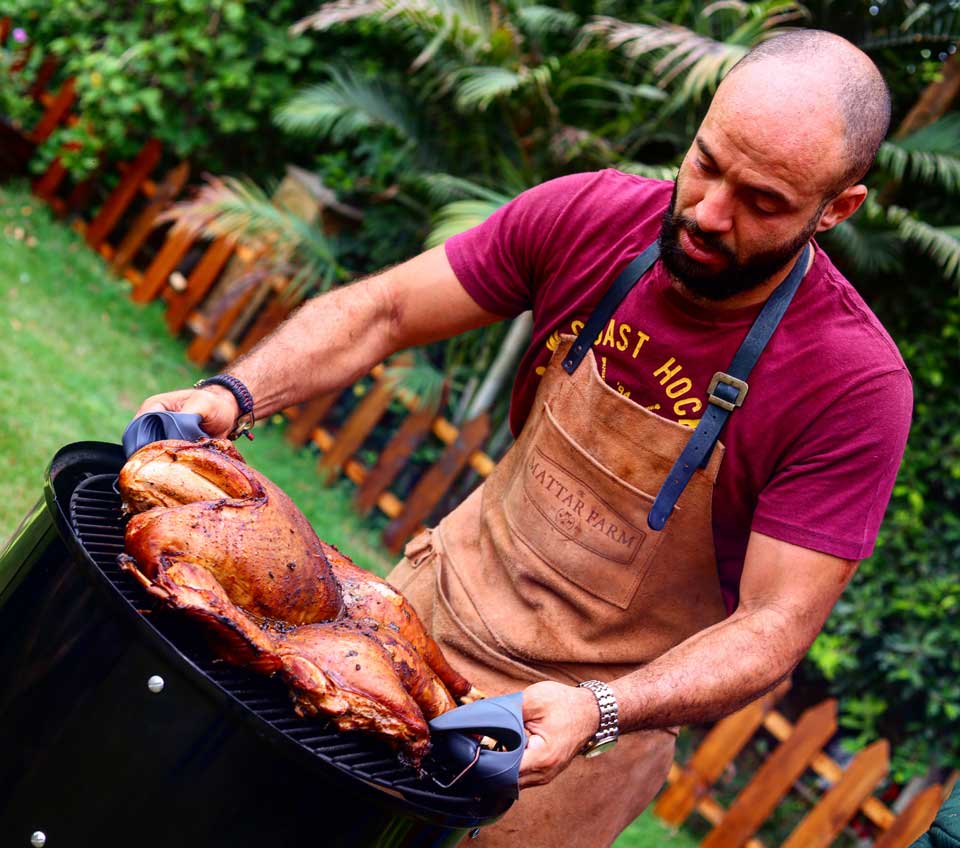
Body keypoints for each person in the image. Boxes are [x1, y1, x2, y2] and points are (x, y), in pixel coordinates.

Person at [136, 30, 912, 847]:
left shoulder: (852, 384)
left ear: (837, 209)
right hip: (402, 630)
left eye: (763, 202)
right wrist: (234, 394)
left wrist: (600, 709)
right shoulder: (589, 217)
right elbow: (385, 312)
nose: (709, 213)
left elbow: (774, 626)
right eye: (707, 163)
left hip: (571, 737)